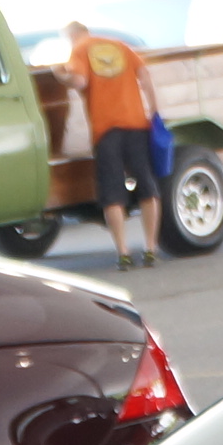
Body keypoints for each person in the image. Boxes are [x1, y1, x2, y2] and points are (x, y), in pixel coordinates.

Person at [65, 20, 163, 267]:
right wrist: (154, 110)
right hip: (136, 124)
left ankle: (123, 252)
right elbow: (145, 77)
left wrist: (61, 76)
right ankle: (151, 248)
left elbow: (79, 82)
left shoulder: (79, 50)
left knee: (112, 192)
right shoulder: (120, 46)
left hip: (106, 130)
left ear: (72, 36)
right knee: (146, 185)